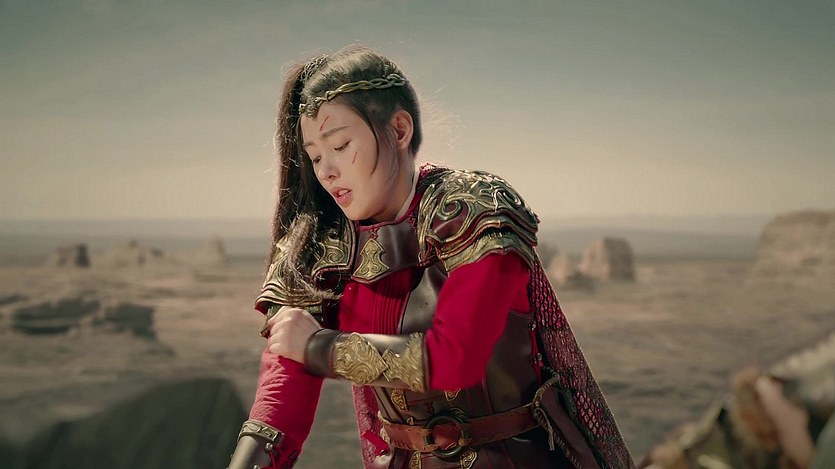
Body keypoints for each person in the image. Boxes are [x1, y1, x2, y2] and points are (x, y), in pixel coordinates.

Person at [228, 44, 634, 469]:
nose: (327, 171)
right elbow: (282, 393)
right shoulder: (321, 241)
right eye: (314, 156)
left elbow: (456, 357)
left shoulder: (473, 210)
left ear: (399, 130)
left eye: (341, 145)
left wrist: (317, 346)